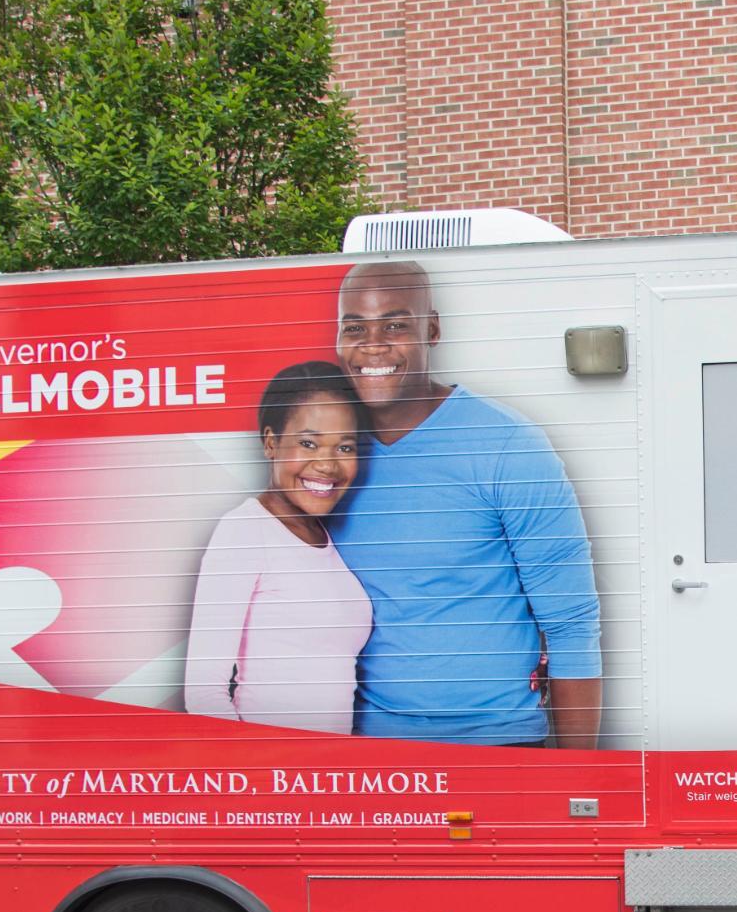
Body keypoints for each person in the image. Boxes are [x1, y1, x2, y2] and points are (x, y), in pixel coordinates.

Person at [328, 259, 601, 748]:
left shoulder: (507, 446)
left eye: (395, 325)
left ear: (431, 329)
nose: (373, 346)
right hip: (369, 760)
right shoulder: (327, 458)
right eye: (355, 328)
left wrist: (579, 784)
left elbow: (571, 625)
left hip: (499, 749)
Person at [182, 362, 375, 734]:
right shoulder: (245, 531)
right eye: (308, 443)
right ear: (271, 443)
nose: (328, 464)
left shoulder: (324, 538)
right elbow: (204, 693)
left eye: (345, 446)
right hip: (276, 773)